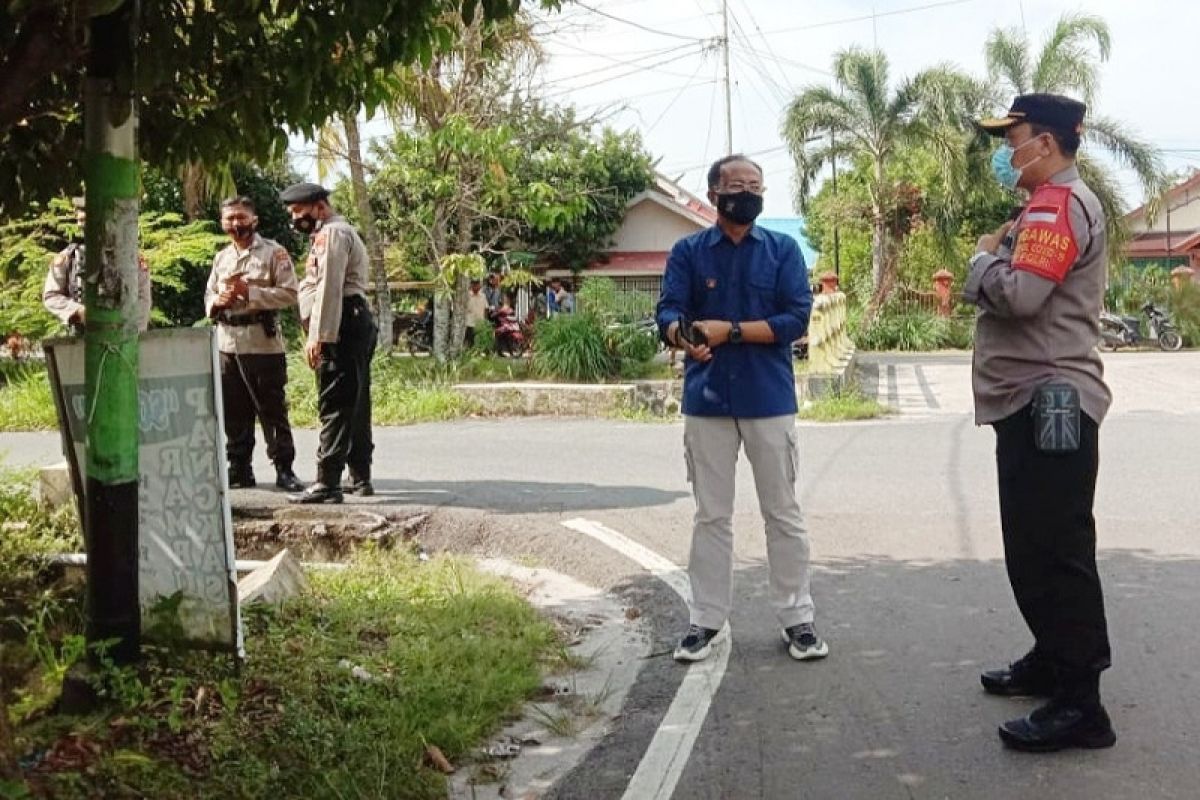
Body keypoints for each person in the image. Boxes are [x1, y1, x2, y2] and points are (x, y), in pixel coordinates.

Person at [965, 94, 1115, 752]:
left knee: (1055, 553)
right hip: (1034, 400)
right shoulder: (1043, 204)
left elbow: (1023, 297)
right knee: (1034, 546)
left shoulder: (1056, 204)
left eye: (1013, 138)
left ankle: (1082, 704)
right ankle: (1052, 660)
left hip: (1048, 399)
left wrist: (980, 263)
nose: (1006, 151)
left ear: (1046, 143)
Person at [655, 154, 824, 665]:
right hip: (706, 400)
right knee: (711, 515)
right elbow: (668, 311)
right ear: (714, 194)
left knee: (783, 512)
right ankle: (704, 620)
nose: (747, 192)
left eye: (755, 184)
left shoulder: (783, 251)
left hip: (768, 398)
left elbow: (795, 319)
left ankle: (798, 618)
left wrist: (726, 330)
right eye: (736, 185)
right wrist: (684, 337)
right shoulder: (687, 252)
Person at [281, 182, 378, 504]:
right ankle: (359, 476)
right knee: (355, 400)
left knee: (335, 403)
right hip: (352, 320)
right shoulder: (335, 231)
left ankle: (328, 482)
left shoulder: (332, 234)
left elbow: (329, 288)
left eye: (299, 212)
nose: (295, 219)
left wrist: (318, 336)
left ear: (319, 206)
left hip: (341, 324)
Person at [204, 196, 304, 492]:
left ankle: (284, 469)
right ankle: (239, 469)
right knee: (234, 412)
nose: (236, 223)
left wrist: (251, 295)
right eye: (230, 218)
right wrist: (216, 303)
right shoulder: (221, 258)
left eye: (242, 217)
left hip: (262, 344)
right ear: (223, 223)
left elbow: (289, 293)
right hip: (227, 345)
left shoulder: (274, 253)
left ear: (254, 220)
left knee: (271, 410)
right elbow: (209, 294)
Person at [43, 196, 151, 333]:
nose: (82, 225)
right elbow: (51, 296)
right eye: (81, 220)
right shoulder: (68, 258)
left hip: (120, 336)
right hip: (81, 339)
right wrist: (78, 311)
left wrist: (131, 334)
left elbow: (142, 299)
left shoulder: (130, 259)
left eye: (87, 220)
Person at [465, 278, 488, 348]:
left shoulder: (483, 296)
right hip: (469, 323)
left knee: (479, 341)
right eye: (474, 284)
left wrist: (485, 321)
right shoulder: (467, 296)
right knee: (470, 341)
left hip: (480, 322)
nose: (476, 286)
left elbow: (486, 308)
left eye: (477, 284)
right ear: (471, 285)